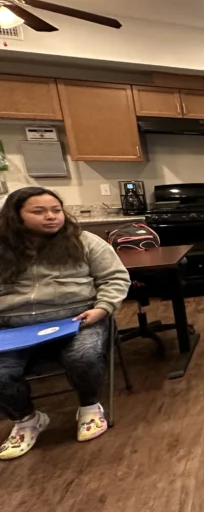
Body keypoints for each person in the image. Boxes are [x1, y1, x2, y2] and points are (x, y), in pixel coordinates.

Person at [0, 187, 130, 460]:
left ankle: (89, 407)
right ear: (15, 216)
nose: (51, 217)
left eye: (56, 210)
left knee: (83, 357)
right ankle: (26, 419)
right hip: (13, 325)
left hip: (78, 319)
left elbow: (115, 278)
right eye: (39, 211)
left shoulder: (84, 241)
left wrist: (102, 308)